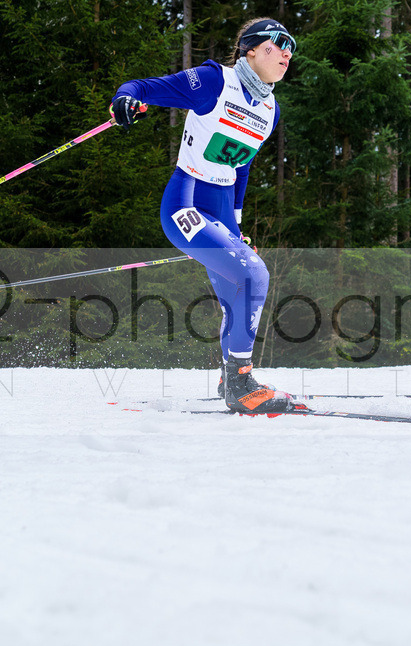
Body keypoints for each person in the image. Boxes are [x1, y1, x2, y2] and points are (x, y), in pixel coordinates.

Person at [111, 18, 297, 413]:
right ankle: (241, 383)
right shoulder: (216, 82)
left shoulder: (270, 109)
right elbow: (143, 88)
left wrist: (237, 225)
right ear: (250, 49)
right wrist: (124, 99)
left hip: (223, 210)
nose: (287, 53)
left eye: (291, 48)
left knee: (237, 292)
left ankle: (230, 376)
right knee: (256, 275)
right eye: (277, 45)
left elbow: (241, 164)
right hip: (187, 203)